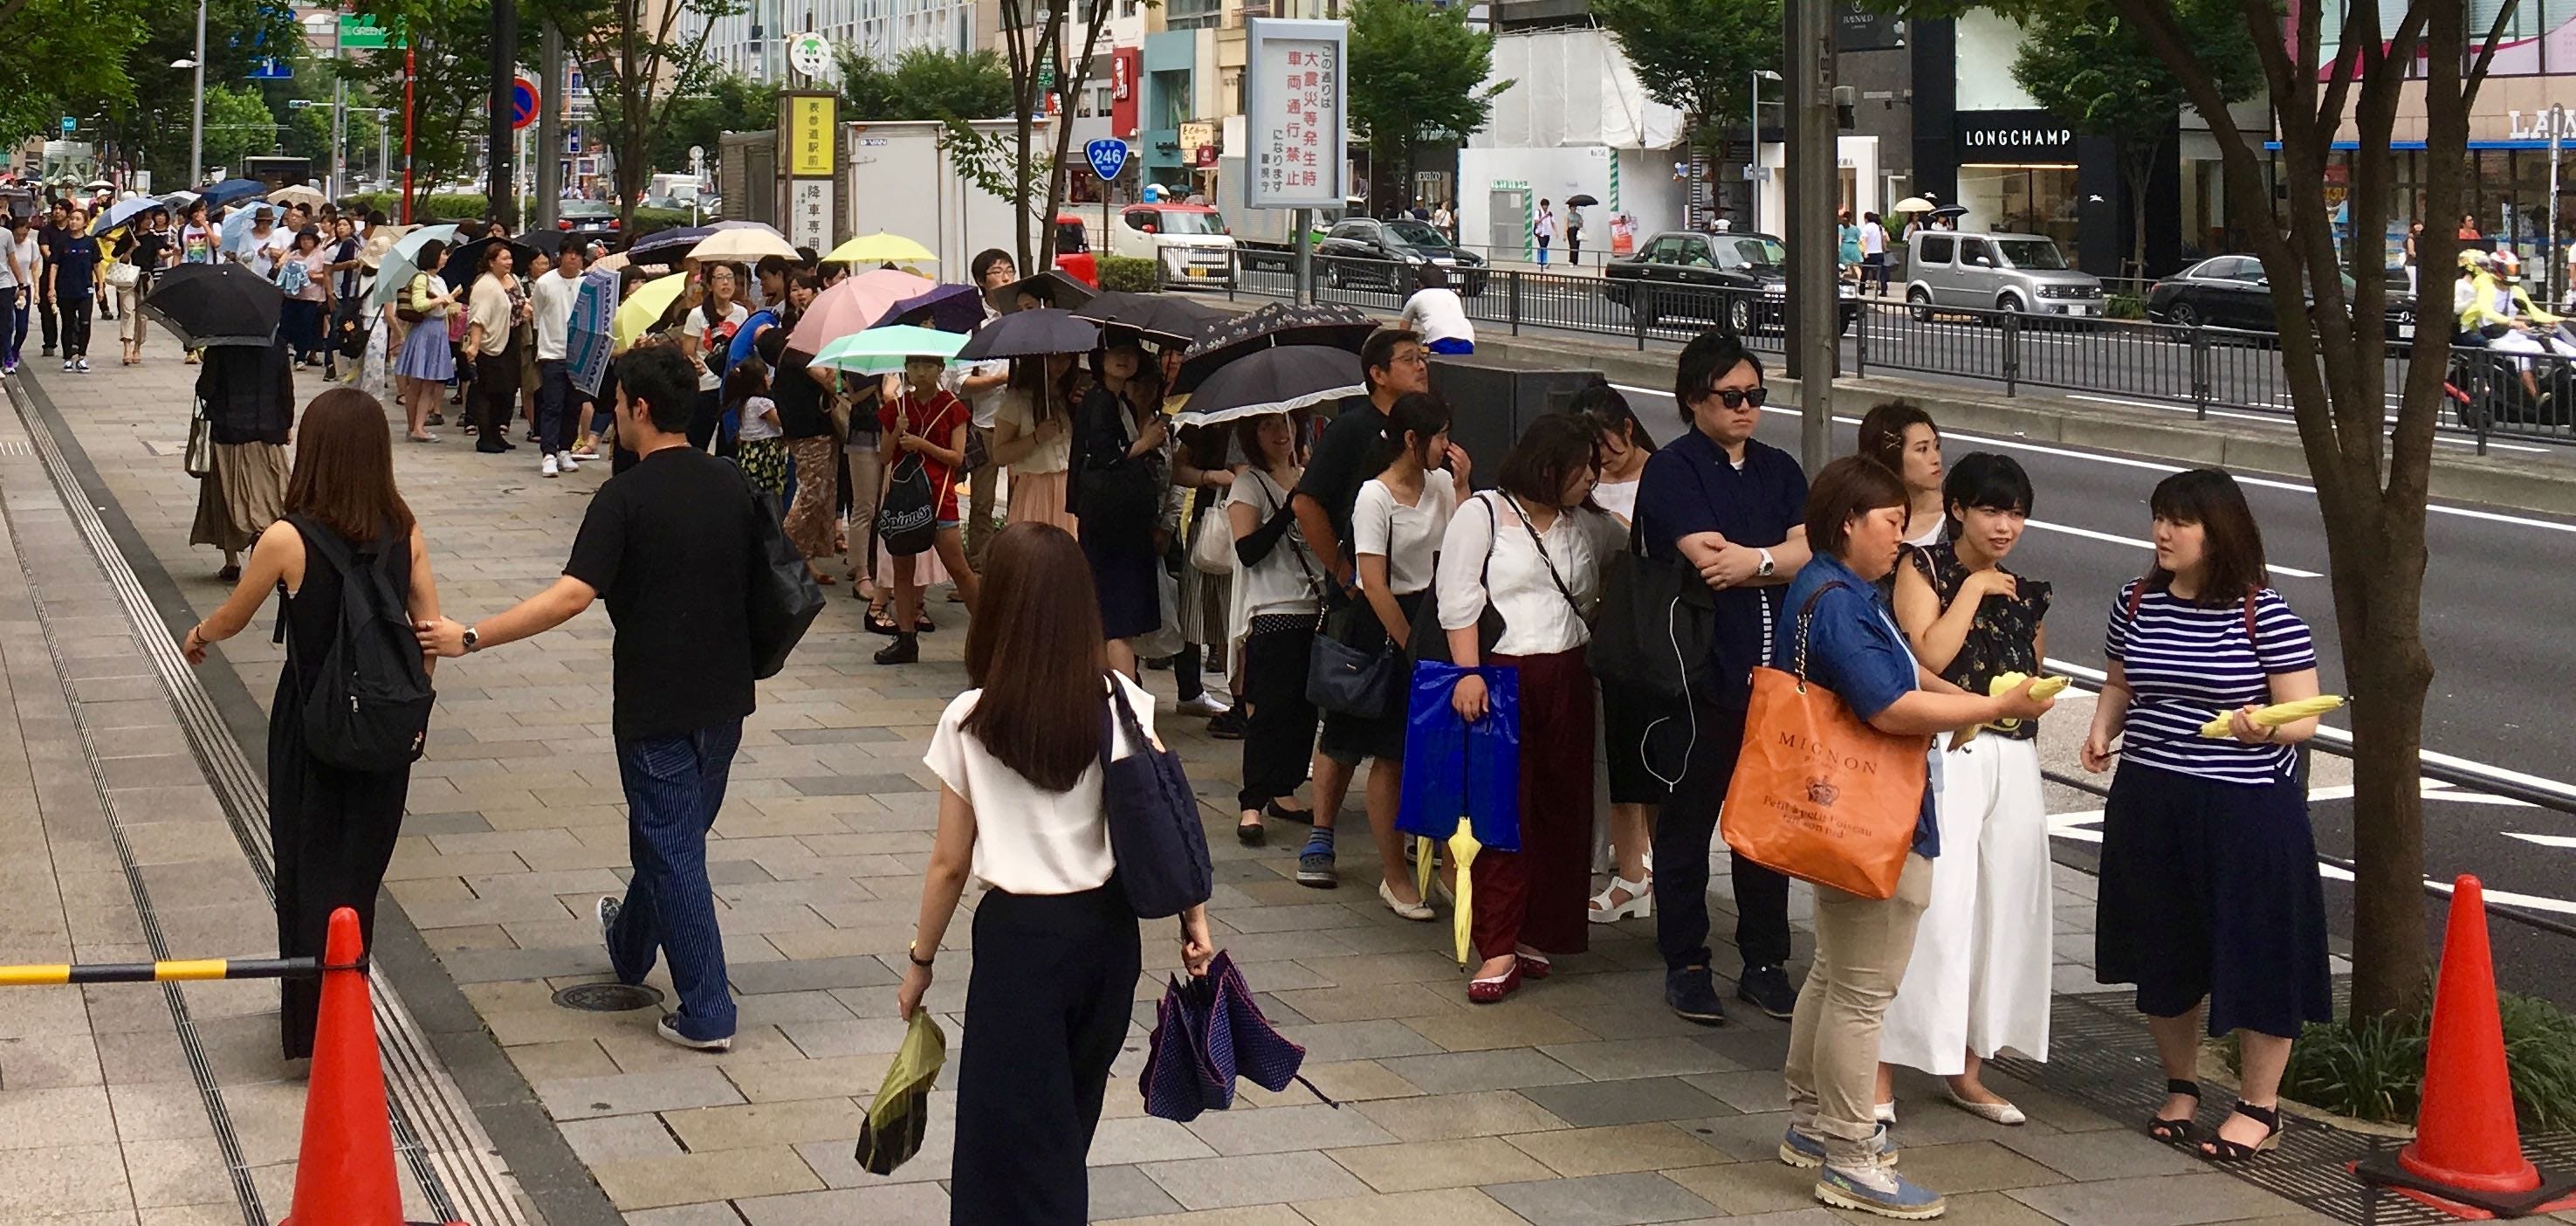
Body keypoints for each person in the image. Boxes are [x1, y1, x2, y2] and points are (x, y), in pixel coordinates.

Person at [415, 341, 764, 1052]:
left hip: (655, 701)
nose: (612, 415)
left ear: (639, 408)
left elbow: (571, 595)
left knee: (674, 847)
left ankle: (707, 1008)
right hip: (726, 696)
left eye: (617, 403)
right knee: (674, 838)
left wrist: (471, 636)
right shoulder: (730, 481)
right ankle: (631, 947)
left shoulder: (625, 497)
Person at [897, 521, 1215, 1224]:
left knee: (1006, 1141)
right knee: (1066, 1127)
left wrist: (920, 961)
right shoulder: (1122, 702)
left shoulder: (971, 717)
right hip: (1106, 935)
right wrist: (1196, 923)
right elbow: (1168, 815)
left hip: (1018, 942)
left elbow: (950, 863)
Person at [1772, 455, 2056, 1220]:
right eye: (1891, 523)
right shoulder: (1837, 600)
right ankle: (1848, 1151)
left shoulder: (1833, 591)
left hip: (1841, 810)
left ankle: (1809, 1122)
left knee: (1835, 973)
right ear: (1847, 525)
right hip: (1875, 817)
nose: (1901, 538)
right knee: (1862, 990)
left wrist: (1981, 702)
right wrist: (1984, 712)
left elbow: (1906, 674)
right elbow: (1891, 702)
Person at [179, 389, 438, 1061]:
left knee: (307, 870)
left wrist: (199, 634)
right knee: (359, 876)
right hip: (382, 731)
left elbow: (235, 615)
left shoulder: (288, 537)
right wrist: (404, 707)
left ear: (314, 453)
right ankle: (351, 1011)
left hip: (313, 725)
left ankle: (311, 1025)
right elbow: (429, 633)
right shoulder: (404, 529)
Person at [2079, 467, 2330, 1163]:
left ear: (2218, 532)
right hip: (2150, 795)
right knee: (2162, 944)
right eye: (2159, 517)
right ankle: (2180, 1085)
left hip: (2246, 805)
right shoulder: (2133, 601)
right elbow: (2119, 680)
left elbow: (2304, 715)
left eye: (2180, 521)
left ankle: (2259, 1105)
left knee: (2257, 949)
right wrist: (2102, 729)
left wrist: (2264, 727)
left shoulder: (2265, 613)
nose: (2163, 532)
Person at [1634, 329, 1812, 1024]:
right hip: (1700, 672)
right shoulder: (1674, 469)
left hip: (1775, 680)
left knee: (1768, 827)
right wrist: (1773, 555)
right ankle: (1685, 961)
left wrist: (1759, 562)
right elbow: (1708, 558)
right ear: (1693, 400)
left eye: (1755, 396)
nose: (1745, 408)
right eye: (1730, 396)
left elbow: (1809, 547)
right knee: (1686, 822)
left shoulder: (1777, 467)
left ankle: (1765, 960)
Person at [1878, 451, 2054, 1126]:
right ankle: (1882, 1069)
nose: (2005, 525)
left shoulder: (2030, 589)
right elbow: (1928, 655)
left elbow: (2027, 671)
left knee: (2001, 908)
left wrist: (2036, 698)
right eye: (1990, 509)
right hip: (1947, 750)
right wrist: (1975, 589)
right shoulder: (1922, 566)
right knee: (1935, 908)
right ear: (1956, 508)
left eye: (2015, 512)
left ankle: (1968, 1065)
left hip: (2012, 754)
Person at [1437, 413, 1625, 1002]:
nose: (1589, 479)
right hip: (1502, 672)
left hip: (1568, 670)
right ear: (1547, 467)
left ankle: (1539, 929)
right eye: (1579, 469)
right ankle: (1496, 941)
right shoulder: (1484, 514)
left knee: (1561, 807)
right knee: (1502, 811)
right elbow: (1458, 595)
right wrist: (1468, 672)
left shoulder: (1585, 524)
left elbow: (1622, 559)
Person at [1274, 328, 1432, 870]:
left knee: (1401, 724)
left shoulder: (1424, 432)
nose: (1421, 366)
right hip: (1362, 600)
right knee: (1347, 712)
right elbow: (1307, 504)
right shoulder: (1354, 429)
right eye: (1409, 359)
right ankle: (1321, 834)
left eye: (1424, 357)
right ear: (1378, 373)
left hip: (1417, 598)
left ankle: (1410, 830)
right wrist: (1344, 573)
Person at [1346, 392, 1467, 920]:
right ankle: (1395, 875)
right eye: (1439, 436)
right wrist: (1410, 648)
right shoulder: (1374, 497)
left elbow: (1468, 542)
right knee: (1391, 755)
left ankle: (1445, 863)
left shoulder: (1441, 483)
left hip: (1439, 616)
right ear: (1411, 440)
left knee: (1442, 753)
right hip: (1393, 622)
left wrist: (1462, 485)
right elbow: (1372, 582)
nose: (1448, 445)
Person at [1571, 382, 1661, 924]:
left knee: (1653, 761)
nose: (1600, 460)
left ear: (1628, 428)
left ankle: (1650, 864)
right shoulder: (1587, 486)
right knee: (1619, 757)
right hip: (1606, 629)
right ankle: (1633, 868)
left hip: (1651, 630)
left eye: (1606, 445)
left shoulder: (1662, 473)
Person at [1226, 411, 1319, 846]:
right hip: (1273, 608)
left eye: (1286, 423)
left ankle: (1286, 787)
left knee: (1304, 709)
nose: (1281, 433)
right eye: (1267, 426)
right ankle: (1252, 801)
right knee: (1269, 709)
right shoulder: (1249, 484)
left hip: (1314, 605)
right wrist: (1288, 509)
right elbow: (1248, 551)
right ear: (1252, 435)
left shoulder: (1308, 472)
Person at [1067, 334, 1164, 676]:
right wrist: (1146, 442)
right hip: (1111, 523)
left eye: (1130, 353)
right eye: (1115, 352)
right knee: (1116, 620)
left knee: (1108, 618)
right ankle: (1125, 697)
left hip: (1114, 521)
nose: (1123, 358)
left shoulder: (1114, 399)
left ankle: (1110, 689)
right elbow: (1107, 457)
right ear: (1100, 357)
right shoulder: (1100, 400)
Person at [875, 352, 982, 665]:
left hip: (940, 499)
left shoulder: (953, 408)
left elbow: (958, 457)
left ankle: (987, 631)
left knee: (959, 568)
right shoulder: (896, 408)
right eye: (915, 366)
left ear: (940, 369)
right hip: (903, 500)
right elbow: (883, 456)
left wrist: (922, 445)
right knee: (902, 571)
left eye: (928, 366)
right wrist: (897, 431)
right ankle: (906, 639)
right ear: (906, 369)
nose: (921, 373)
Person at [189, 335, 297, 581]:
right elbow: (285, 389)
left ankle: (232, 562)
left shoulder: (221, 346)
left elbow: (206, 389)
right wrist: (286, 424)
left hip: (229, 433)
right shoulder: (276, 344)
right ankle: (263, 539)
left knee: (227, 497)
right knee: (271, 496)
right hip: (268, 433)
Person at [960, 248, 1019, 569]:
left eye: (1009, 269)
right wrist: (1000, 379)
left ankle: (1012, 565)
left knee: (1019, 497)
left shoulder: (1021, 318)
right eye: (997, 271)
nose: (1006, 275)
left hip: (1019, 421)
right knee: (982, 502)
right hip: (985, 423)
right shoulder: (974, 325)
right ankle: (979, 568)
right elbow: (961, 382)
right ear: (982, 281)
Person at [528, 241, 590, 477]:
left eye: (577, 255)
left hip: (578, 353)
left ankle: (565, 448)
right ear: (561, 256)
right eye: (569, 254)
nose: (573, 259)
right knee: (553, 404)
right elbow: (538, 314)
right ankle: (549, 453)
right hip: (552, 352)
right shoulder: (545, 283)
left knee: (574, 405)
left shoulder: (587, 283)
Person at [464, 242, 530, 456]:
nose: (508, 262)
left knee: (506, 390)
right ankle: (485, 437)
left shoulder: (514, 280)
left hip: (512, 339)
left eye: (509, 258)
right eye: (503, 258)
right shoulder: (486, 285)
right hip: (491, 343)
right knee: (487, 391)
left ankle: (496, 433)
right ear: (491, 262)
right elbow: (478, 318)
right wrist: (474, 345)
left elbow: (519, 303)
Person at [393, 241, 461, 443]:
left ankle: (418, 426)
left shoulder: (439, 279)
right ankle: (415, 426)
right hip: (425, 330)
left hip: (438, 329)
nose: (445, 257)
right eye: (442, 254)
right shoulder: (422, 278)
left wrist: (451, 307)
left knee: (429, 383)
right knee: (417, 382)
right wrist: (442, 300)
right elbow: (419, 304)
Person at [1856, 400, 1945, 548]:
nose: (1936, 458)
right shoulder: (1859, 515)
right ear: (1890, 456)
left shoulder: (1956, 517)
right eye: (1922, 449)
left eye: (1937, 446)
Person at [682, 264, 748, 451]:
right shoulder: (697, 315)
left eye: (729, 277)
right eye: (720, 278)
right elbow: (688, 352)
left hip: (732, 387)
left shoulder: (741, 312)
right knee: (698, 441)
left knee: (728, 446)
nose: (726, 283)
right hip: (706, 387)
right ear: (710, 285)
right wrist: (697, 367)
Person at [111, 208, 170, 366]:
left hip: (146, 278)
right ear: (138, 220)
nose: (149, 221)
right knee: (128, 311)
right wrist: (131, 248)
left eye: (150, 218)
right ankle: (127, 347)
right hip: (128, 280)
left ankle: (138, 346)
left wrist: (175, 251)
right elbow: (120, 259)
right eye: (146, 219)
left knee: (143, 316)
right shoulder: (128, 238)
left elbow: (162, 254)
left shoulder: (153, 238)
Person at [47, 208, 100, 374]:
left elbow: (97, 265)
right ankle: (68, 357)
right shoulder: (62, 242)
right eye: (72, 219)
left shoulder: (91, 242)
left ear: (85, 223)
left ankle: (82, 357)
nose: (73, 222)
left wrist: (101, 287)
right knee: (68, 324)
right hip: (66, 289)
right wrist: (51, 287)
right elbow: (54, 265)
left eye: (77, 219)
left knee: (85, 323)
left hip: (85, 289)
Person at [725, 355, 787, 495]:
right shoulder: (762, 404)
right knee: (769, 491)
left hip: (750, 450)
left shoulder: (744, 402)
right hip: (766, 450)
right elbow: (781, 421)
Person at [279, 228, 333, 368]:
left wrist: (312, 276)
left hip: (311, 297)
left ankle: (301, 357)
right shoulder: (294, 255)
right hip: (292, 295)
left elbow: (328, 275)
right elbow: (284, 271)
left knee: (306, 327)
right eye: (303, 239)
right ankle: (282, 354)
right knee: (287, 325)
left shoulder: (321, 255)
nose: (305, 242)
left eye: (308, 239)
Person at [324, 216, 367, 380]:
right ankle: (331, 364)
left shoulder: (358, 247)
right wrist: (329, 293)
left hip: (354, 295)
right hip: (339, 293)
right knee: (336, 329)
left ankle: (349, 364)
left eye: (345, 225)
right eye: (339, 225)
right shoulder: (332, 249)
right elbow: (328, 271)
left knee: (351, 330)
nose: (342, 228)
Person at [1399, 265, 1474, 355]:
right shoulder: (1453, 296)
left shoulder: (1416, 298)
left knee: (1420, 354)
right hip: (1468, 340)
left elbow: (1403, 329)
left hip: (1439, 341)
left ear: (1421, 283)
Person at [32, 200, 66, 358]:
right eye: (55, 209)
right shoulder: (46, 231)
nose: (57, 212)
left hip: (68, 277)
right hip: (48, 275)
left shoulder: (72, 231)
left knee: (69, 311)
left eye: (61, 209)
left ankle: (71, 342)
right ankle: (49, 343)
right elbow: (44, 250)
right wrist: (57, 261)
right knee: (47, 312)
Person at [3, 213, 33, 376]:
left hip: (19, 287)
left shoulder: (30, 244)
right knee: (8, 325)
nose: (21, 238)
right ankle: (7, 358)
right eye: (18, 234)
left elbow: (32, 267)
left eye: (25, 234)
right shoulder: (7, 239)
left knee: (21, 327)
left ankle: (14, 351)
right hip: (7, 286)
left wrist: (25, 285)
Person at [231, 205, 285, 279]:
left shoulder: (276, 235)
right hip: (250, 276)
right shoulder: (247, 235)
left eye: (268, 222)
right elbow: (239, 256)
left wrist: (272, 254)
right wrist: (255, 254)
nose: (265, 225)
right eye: (262, 222)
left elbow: (283, 255)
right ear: (257, 222)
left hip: (269, 277)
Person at [1862, 211, 1890, 294]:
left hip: (1870, 253)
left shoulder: (1866, 228)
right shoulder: (1879, 227)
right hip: (1879, 253)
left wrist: (1865, 251)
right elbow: (1884, 240)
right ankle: (1884, 290)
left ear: (1867, 219)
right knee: (1881, 273)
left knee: (1865, 272)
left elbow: (1864, 240)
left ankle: (1862, 290)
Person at [1838, 209, 1863, 283]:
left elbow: (1840, 238)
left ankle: (1842, 278)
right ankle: (1862, 282)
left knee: (1843, 265)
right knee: (1856, 266)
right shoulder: (1855, 228)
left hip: (1845, 247)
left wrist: (1839, 247)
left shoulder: (1841, 227)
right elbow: (1860, 239)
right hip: (1854, 248)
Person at [2403, 220, 2422, 294]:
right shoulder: (2411, 238)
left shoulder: (2421, 238)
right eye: (2416, 224)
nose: (2418, 226)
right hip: (2412, 264)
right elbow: (2411, 252)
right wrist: (2419, 256)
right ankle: (2411, 300)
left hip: (2419, 264)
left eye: (2420, 224)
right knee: (2414, 285)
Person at [1535, 198, 1556, 267]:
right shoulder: (1538, 212)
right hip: (1540, 232)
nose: (1546, 207)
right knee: (1542, 246)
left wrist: (1555, 231)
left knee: (1545, 247)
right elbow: (1536, 221)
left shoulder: (1550, 213)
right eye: (1544, 205)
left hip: (1548, 232)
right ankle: (1541, 263)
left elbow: (1553, 222)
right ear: (1542, 206)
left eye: (1547, 205)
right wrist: (1544, 217)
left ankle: (1543, 262)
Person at [1564, 201, 1585, 265]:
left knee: (1577, 246)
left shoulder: (1578, 215)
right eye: (1573, 207)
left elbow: (1581, 225)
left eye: (1575, 207)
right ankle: (1571, 260)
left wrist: (1581, 222)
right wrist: (1565, 234)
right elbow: (1566, 224)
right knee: (1572, 245)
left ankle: (1575, 261)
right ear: (1570, 208)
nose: (1574, 208)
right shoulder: (1567, 215)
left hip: (1577, 230)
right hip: (1571, 230)